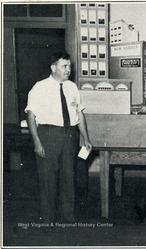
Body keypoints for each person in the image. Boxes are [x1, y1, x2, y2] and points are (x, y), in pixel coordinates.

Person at [25, 51, 92, 223]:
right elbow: (31, 116)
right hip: (48, 135)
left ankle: (69, 217)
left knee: (68, 178)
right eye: (64, 66)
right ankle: (48, 220)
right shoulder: (39, 87)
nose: (68, 69)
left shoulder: (72, 87)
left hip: (70, 136)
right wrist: (37, 143)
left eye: (69, 66)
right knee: (48, 180)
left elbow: (79, 114)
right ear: (53, 67)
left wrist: (86, 138)